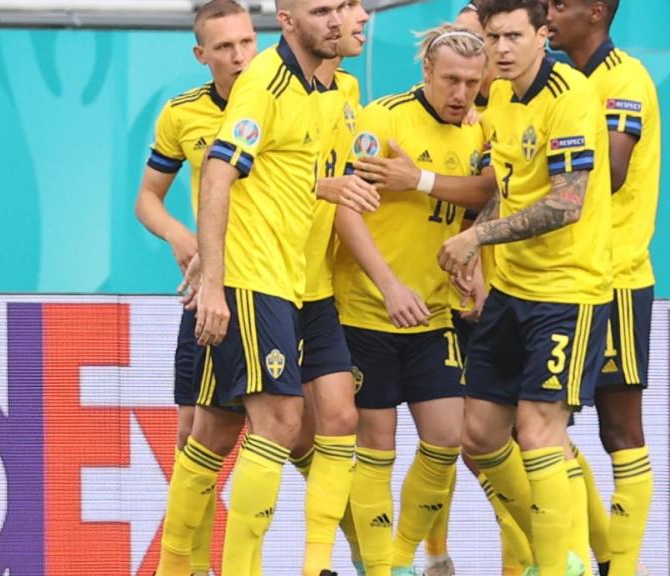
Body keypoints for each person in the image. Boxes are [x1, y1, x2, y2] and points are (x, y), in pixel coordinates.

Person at [155, 0, 354, 572]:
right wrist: (213, 284)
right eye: (322, 11)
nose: (337, 21)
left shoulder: (322, 89)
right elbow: (218, 172)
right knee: (279, 422)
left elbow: (287, 177)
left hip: (296, 284)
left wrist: (330, 188)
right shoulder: (264, 81)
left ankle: (181, 566)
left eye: (341, 8)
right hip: (253, 278)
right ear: (288, 19)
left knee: (220, 431)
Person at [436, 0, 613, 572]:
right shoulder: (502, 98)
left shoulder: (573, 96)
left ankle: (563, 561)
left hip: (568, 292)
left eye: (514, 35)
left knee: (539, 432)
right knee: (481, 437)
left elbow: (567, 203)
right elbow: (504, 187)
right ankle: (547, 544)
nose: (502, 49)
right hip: (511, 291)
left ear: (542, 35)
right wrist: (479, 248)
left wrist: (477, 240)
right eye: (494, 37)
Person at [331, 23, 489, 576]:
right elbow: (346, 209)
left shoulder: (476, 132)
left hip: (434, 313)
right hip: (368, 311)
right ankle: (381, 568)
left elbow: (479, 204)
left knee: (448, 438)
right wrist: (389, 286)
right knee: (376, 443)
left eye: (472, 82)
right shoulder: (384, 119)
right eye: (450, 79)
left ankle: (398, 559)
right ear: (426, 71)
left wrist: (473, 262)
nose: (461, 93)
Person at [136, 2, 256, 574]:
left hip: (282, 289)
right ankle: (195, 566)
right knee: (194, 435)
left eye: (245, 42)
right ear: (201, 54)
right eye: (225, 47)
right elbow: (147, 199)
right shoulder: (182, 113)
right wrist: (180, 235)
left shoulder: (284, 98)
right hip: (213, 292)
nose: (238, 56)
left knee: (306, 431)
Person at [547, 2, 659, 574]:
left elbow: (611, 171)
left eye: (561, 4)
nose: (549, 11)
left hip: (615, 279)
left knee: (620, 428)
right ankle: (595, 555)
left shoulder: (624, 78)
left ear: (596, 12)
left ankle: (623, 565)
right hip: (560, 278)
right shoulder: (561, 80)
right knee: (544, 427)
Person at [288, 0, 377, 574]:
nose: (360, 15)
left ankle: (321, 563)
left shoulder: (347, 95)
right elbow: (245, 178)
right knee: (287, 436)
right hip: (266, 282)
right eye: (342, 5)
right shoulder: (270, 87)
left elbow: (343, 191)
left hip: (317, 286)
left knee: (342, 421)